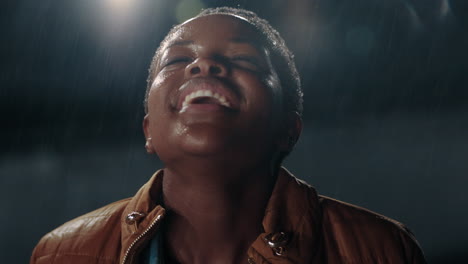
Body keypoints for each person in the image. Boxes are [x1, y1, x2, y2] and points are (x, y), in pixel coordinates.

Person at [30, 7, 426, 264]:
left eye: (242, 59)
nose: (205, 63)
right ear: (149, 130)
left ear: (288, 130)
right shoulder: (61, 254)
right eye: (181, 59)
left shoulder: (383, 250)